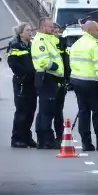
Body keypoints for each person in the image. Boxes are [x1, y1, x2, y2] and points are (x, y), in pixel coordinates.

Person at [68, 21, 98, 152]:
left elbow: (71, 64)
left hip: (78, 82)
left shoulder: (76, 44)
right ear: (90, 30)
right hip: (91, 83)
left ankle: (86, 143)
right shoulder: (95, 46)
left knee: (83, 112)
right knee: (97, 113)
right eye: (97, 30)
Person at [30, 18, 64, 149]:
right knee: (47, 111)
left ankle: (44, 139)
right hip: (47, 77)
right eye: (50, 27)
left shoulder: (48, 40)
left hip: (51, 79)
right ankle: (46, 140)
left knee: (47, 110)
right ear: (43, 27)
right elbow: (43, 61)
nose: (53, 29)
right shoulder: (40, 42)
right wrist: (55, 66)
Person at [7, 23, 38, 149]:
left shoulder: (32, 45)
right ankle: (17, 138)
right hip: (22, 82)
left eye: (31, 30)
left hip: (32, 82)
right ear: (21, 33)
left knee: (31, 110)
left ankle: (27, 137)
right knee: (22, 111)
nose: (30, 33)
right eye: (27, 30)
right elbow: (12, 63)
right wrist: (24, 75)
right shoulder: (15, 45)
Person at [53, 24, 71, 137]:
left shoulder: (62, 42)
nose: (55, 31)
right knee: (49, 111)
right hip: (50, 81)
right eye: (53, 29)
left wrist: (68, 79)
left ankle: (60, 135)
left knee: (59, 110)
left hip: (62, 80)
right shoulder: (45, 43)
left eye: (57, 29)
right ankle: (46, 136)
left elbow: (66, 61)